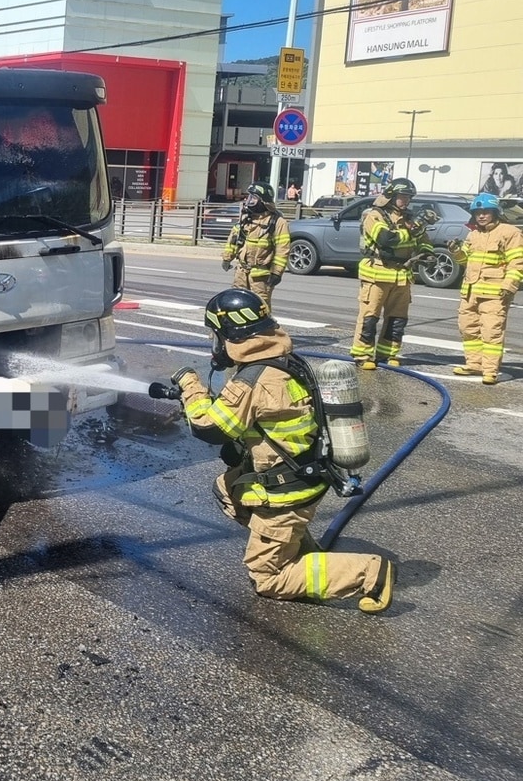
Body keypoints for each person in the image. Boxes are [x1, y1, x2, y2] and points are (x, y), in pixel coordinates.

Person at [172, 289, 394, 613]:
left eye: (215, 335)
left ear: (228, 335)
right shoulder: (282, 360)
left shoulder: (254, 378)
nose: (214, 343)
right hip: (304, 473)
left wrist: (190, 386)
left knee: (267, 578)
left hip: (285, 490)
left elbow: (209, 427)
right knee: (227, 488)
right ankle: (295, 552)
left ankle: (370, 574)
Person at [351, 177, 431, 369]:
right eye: (403, 196)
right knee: (370, 317)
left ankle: (388, 354)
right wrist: (413, 232)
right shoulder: (374, 216)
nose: (407, 200)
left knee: (397, 319)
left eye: (409, 197)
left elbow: (424, 241)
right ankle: (363, 355)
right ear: (391, 196)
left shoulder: (410, 220)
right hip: (377, 274)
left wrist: (428, 253)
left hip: (402, 276)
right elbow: (386, 239)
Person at [450, 193, 523, 385]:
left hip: (495, 293)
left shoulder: (510, 232)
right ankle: (474, 364)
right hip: (470, 292)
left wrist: (509, 286)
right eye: (478, 213)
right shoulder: (473, 234)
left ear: (495, 212)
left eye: (486, 212)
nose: (481, 216)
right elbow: (464, 260)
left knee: (492, 332)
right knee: (468, 329)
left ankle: (490, 370)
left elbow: (517, 262)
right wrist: (456, 251)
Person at [220, 181, 290, 312]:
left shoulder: (277, 222)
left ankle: (264, 332)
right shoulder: (246, 218)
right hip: (241, 272)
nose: (249, 201)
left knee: (260, 308)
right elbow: (234, 240)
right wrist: (227, 258)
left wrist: (276, 273)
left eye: (253, 198)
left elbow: (283, 250)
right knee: (237, 304)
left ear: (264, 201)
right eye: (249, 197)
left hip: (261, 276)